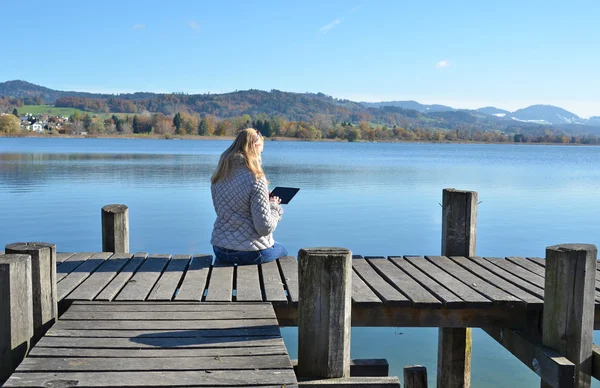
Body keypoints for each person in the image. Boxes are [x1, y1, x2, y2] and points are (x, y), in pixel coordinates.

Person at [210, 128, 288, 265]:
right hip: (251, 253)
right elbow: (264, 228)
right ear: (254, 148)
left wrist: (263, 198)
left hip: (220, 250)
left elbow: (232, 207)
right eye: (261, 151)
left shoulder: (220, 175)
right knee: (282, 250)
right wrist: (274, 206)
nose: (261, 156)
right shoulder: (256, 178)